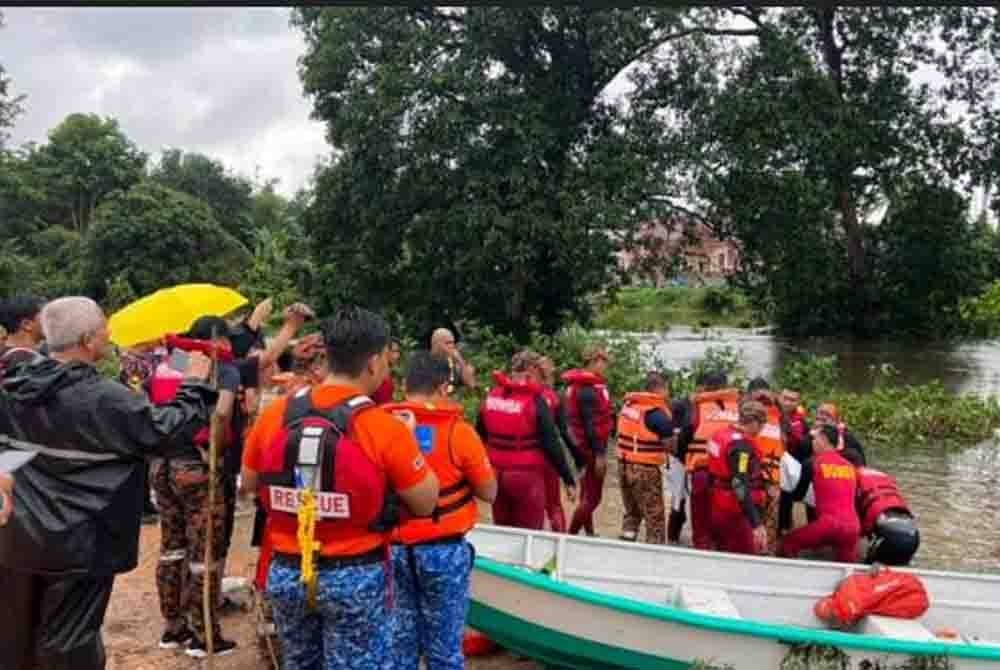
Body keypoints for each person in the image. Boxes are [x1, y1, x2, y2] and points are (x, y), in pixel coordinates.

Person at [0, 296, 217, 670]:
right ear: (87, 340)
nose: (109, 333)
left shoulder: (15, 385)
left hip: (20, 537)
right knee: (69, 645)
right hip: (79, 544)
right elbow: (166, 429)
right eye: (104, 327)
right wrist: (195, 385)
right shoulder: (103, 397)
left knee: (16, 637)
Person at [241, 305, 439, 669]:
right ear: (375, 362)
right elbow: (426, 502)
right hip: (356, 574)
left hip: (287, 569)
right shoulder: (384, 428)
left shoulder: (276, 415)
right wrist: (410, 443)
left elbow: (250, 483)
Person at [384, 351, 497, 670]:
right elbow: (489, 492)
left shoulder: (378, 427)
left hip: (393, 550)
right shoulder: (458, 432)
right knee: (445, 650)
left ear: (404, 384)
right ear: (444, 387)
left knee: (399, 647)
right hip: (442, 551)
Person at [477, 350, 576, 530]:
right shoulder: (535, 399)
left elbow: (479, 435)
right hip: (525, 475)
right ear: (532, 370)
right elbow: (551, 442)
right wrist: (568, 478)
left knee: (503, 530)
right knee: (530, 532)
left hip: (495, 473)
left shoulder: (492, 396)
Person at [778, 424, 860, 563]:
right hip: (853, 527)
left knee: (787, 544)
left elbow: (798, 495)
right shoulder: (850, 467)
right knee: (847, 568)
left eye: (814, 439)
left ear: (823, 439)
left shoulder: (812, 463)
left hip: (829, 525)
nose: (812, 443)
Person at [616, 372, 674, 544]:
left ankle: (627, 540)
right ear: (660, 389)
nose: (668, 394)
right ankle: (654, 552)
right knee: (654, 515)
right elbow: (669, 445)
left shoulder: (630, 406)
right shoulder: (656, 414)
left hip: (624, 464)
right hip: (645, 469)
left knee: (632, 510)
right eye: (667, 389)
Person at [706, 400, 769, 555]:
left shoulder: (719, 434)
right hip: (735, 510)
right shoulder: (741, 448)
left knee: (722, 552)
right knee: (743, 557)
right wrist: (756, 524)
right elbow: (739, 483)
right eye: (762, 425)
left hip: (717, 503)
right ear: (754, 422)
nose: (761, 430)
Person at [686, 371, 741, 549]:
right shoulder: (739, 406)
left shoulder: (697, 407)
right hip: (729, 472)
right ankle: (722, 545)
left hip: (702, 469)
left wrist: (686, 461)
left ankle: (702, 544)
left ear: (706, 387)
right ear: (726, 387)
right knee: (726, 512)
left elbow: (686, 434)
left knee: (700, 514)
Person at [565, 347, 614, 536]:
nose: (606, 367)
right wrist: (600, 454)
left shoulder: (577, 386)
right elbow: (590, 425)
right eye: (604, 362)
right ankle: (571, 535)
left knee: (587, 492)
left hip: (581, 446)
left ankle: (590, 532)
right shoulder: (587, 390)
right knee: (593, 498)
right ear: (594, 362)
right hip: (590, 448)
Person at [538, 355, 581, 532]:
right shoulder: (554, 397)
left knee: (533, 507)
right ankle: (560, 542)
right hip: (548, 458)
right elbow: (565, 433)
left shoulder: (521, 395)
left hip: (525, 457)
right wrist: (578, 461)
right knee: (554, 506)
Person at [745, 378, 785, 554]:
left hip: (771, 475)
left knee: (769, 517)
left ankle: (766, 552)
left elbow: (787, 432)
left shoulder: (777, 413)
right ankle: (752, 549)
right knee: (752, 515)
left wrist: (775, 400)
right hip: (751, 473)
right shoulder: (745, 413)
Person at [854, 464, 920, 566]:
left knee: (869, 567)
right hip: (913, 533)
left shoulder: (850, 475)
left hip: (889, 533)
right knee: (901, 568)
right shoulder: (882, 474)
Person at [0, 295, 45, 375]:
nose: (53, 321)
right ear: (27, 324)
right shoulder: (24, 360)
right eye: (47, 316)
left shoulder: (6, 355)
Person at [431, 328, 476, 393]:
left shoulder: (454, 360)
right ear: (437, 344)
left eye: (452, 342)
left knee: (469, 369)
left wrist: (460, 360)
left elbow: (472, 385)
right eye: (448, 343)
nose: (452, 346)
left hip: (455, 394)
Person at [372, 337, 402, 405]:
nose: (397, 356)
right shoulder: (376, 374)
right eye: (394, 351)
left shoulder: (393, 374)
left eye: (398, 352)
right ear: (385, 351)